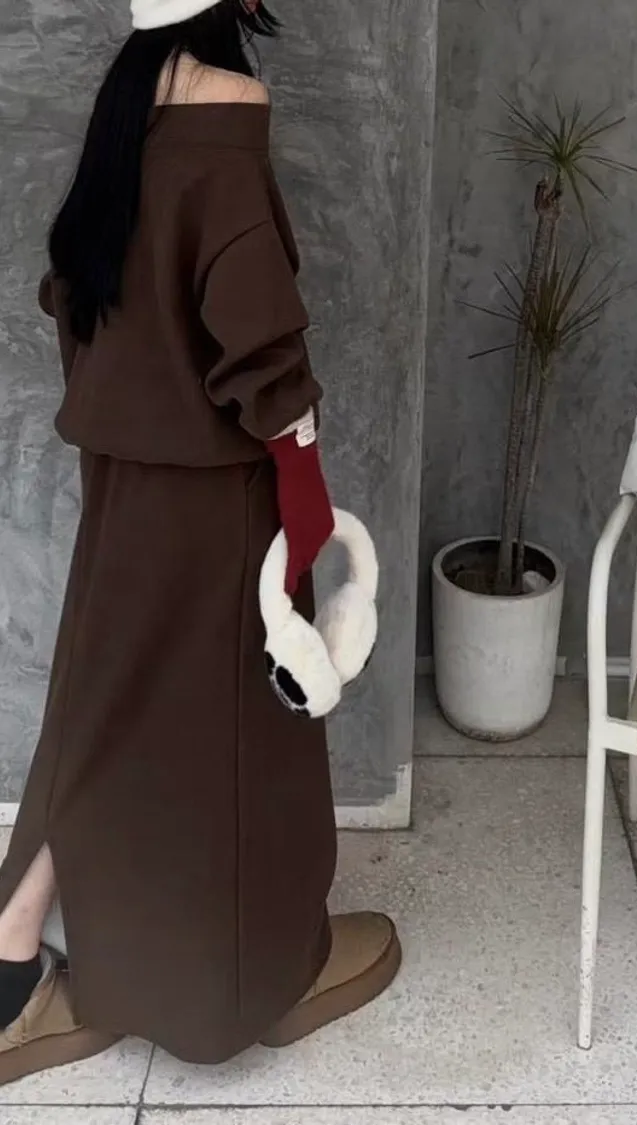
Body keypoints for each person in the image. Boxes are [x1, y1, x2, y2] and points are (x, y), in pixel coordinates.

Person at [0, 0, 400, 1084]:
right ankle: (261, 975)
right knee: (243, 736)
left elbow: (76, 288)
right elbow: (255, 328)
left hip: (122, 479)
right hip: (219, 491)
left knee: (106, 709)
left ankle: (14, 959)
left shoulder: (129, 98)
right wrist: (304, 488)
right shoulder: (228, 107)